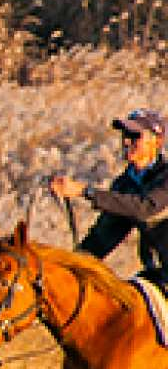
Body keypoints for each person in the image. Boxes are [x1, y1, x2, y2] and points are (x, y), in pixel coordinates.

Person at [49, 107, 168, 279]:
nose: (126, 141)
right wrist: (64, 268)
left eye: (135, 136)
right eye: (125, 135)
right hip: (157, 274)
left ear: (156, 141)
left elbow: (144, 207)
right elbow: (102, 239)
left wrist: (85, 191)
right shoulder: (124, 185)